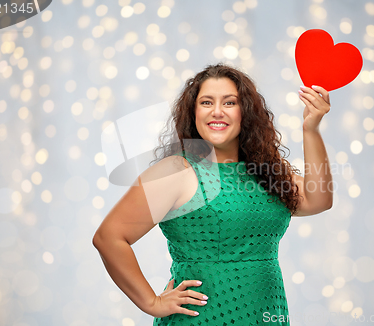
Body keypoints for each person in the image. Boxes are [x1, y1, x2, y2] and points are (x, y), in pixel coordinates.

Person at [92, 63, 333, 325]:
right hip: (203, 318)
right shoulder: (176, 170)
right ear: (194, 112)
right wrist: (152, 302)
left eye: (229, 103)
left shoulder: (267, 172)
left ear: (246, 113)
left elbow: (318, 199)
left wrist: (311, 129)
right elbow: (109, 237)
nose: (217, 111)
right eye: (206, 102)